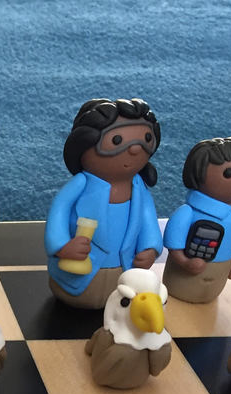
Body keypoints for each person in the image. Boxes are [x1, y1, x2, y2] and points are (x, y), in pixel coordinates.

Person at [45, 98, 162, 309]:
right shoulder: (80, 185)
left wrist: (150, 247)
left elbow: (148, 220)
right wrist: (62, 246)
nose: (135, 150)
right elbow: (58, 213)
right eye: (116, 140)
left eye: (147, 138)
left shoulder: (139, 188)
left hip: (125, 272)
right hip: (80, 274)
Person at [162, 137, 231, 303]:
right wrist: (185, 263)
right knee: (177, 297)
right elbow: (174, 246)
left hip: (222, 270)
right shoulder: (187, 212)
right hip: (182, 276)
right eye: (228, 173)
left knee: (210, 300)